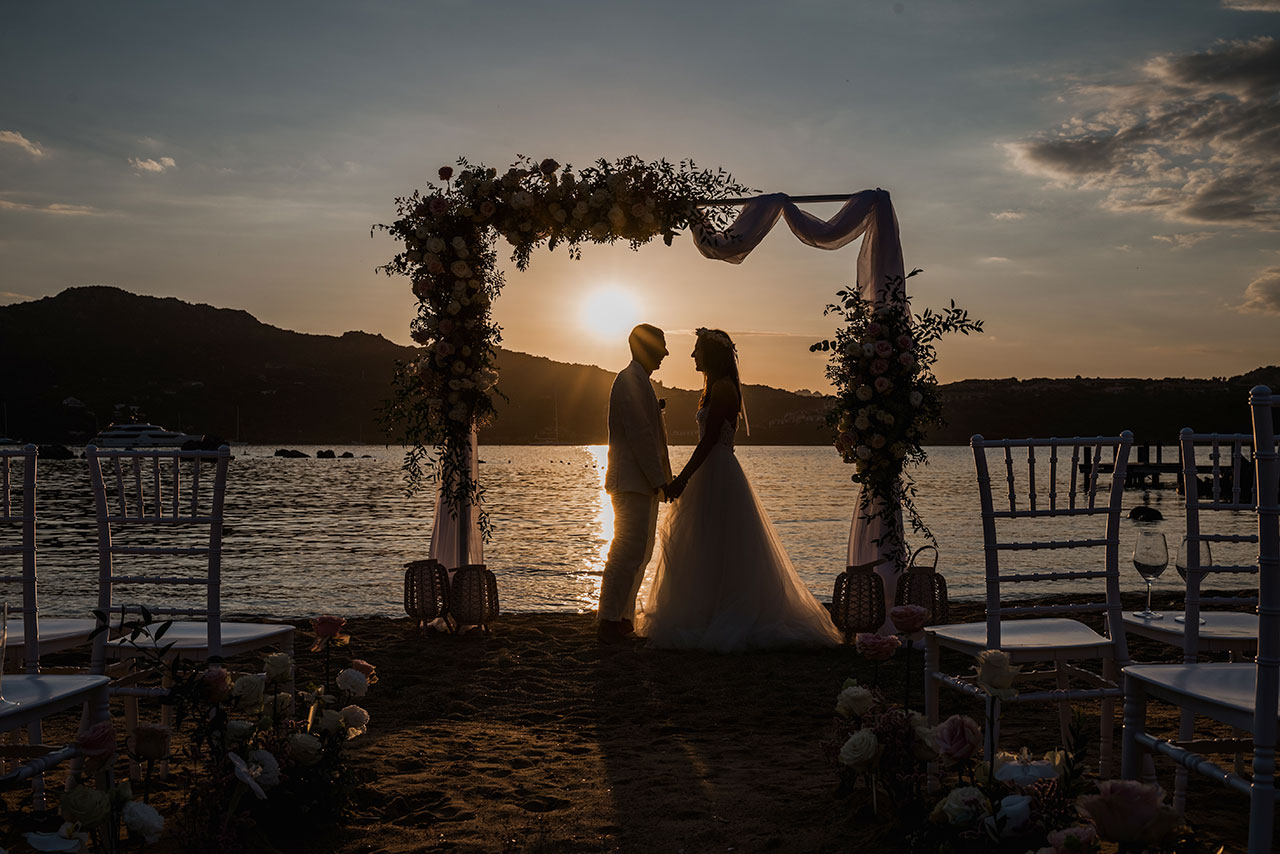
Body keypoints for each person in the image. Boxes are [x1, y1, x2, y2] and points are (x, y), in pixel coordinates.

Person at [637, 328, 842, 652]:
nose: (692, 356)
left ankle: (724, 613)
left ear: (711, 354)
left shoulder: (723, 389)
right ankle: (707, 611)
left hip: (718, 473)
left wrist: (682, 479)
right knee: (706, 547)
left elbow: (708, 442)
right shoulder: (714, 387)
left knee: (720, 545)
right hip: (713, 472)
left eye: (697, 350)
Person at [597, 324, 673, 644]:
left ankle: (623, 617)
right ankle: (609, 620)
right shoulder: (630, 380)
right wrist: (661, 481)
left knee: (639, 551)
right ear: (644, 348)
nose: (664, 356)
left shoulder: (639, 381)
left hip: (639, 483)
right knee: (626, 551)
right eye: (659, 349)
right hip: (631, 482)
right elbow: (641, 437)